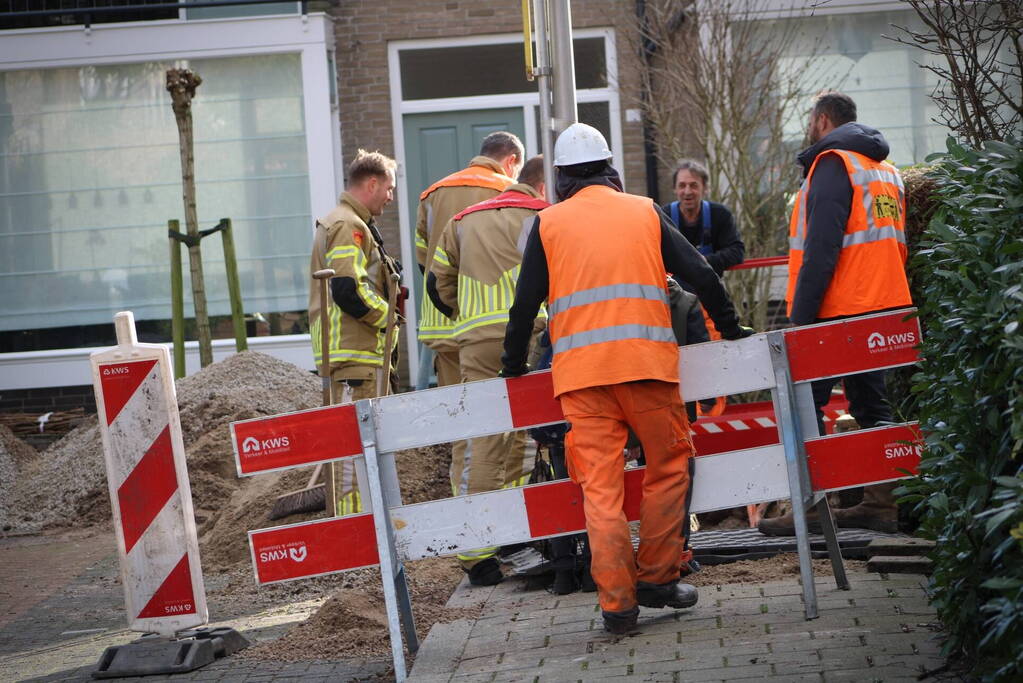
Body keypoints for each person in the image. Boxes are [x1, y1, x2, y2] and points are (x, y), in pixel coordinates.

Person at [501, 123, 753, 634]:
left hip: (582, 381)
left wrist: (512, 367)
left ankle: (617, 605)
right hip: (647, 371)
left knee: (600, 489)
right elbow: (701, 275)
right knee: (668, 467)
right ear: (609, 168)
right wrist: (731, 328)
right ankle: (659, 578)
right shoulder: (643, 211)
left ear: (563, 177)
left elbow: (524, 305)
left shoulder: (548, 225)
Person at [757, 90, 911, 537]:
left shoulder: (833, 165)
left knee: (807, 404)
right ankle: (884, 503)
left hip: (837, 310)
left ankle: (809, 509)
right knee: (872, 406)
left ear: (822, 120)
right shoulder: (886, 171)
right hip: (883, 308)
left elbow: (821, 250)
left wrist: (801, 321)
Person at [430, 155, 549, 586]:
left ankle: (485, 545)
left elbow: (436, 281)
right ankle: (496, 541)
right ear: (542, 186)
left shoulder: (462, 220)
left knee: (486, 437)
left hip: (476, 340)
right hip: (532, 333)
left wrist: (466, 314)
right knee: (525, 434)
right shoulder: (544, 215)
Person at [416, 131, 524, 494]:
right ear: (511, 161)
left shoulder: (431, 194)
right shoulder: (503, 194)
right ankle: (501, 509)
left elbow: (425, 265)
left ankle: (463, 508)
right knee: (502, 427)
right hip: (490, 325)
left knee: (463, 425)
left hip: (443, 325)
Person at [308, 149, 400, 516]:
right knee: (354, 455)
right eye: (389, 188)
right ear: (372, 183)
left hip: (352, 356)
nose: (391, 197)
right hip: (355, 357)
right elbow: (347, 289)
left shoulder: (346, 221)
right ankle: (359, 531)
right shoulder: (349, 225)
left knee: (357, 450)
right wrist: (388, 319)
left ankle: (366, 525)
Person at [662, 159, 746, 417]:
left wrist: (702, 264)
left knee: (713, 362)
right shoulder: (665, 215)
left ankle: (713, 423)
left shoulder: (719, 216)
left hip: (710, 305)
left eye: (693, 185)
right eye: (682, 185)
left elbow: (736, 251)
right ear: (676, 189)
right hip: (675, 307)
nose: (688, 191)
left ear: (704, 188)